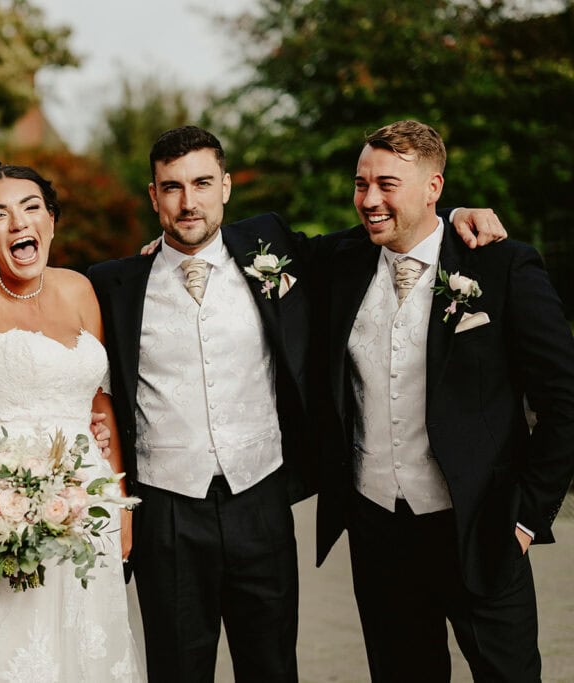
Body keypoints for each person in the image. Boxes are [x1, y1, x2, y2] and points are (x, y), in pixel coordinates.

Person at [88, 125, 505, 682]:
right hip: (166, 509)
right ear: (153, 195)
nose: (189, 202)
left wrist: (451, 213)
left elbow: (384, 231)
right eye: (172, 187)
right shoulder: (112, 285)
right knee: (176, 669)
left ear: (227, 187)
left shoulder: (274, 248)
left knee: (273, 666)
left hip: (260, 500)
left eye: (203, 183)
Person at [310, 119, 574, 681]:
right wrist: (165, 246)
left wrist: (527, 518)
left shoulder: (501, 266)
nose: (369, 200)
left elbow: (564, 398)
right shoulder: (340, 262)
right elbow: (258, 245)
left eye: (387, 184)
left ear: (434, 187)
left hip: (481, 527)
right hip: (379, 527)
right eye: (361, 184)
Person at [0, 162, 143, 681]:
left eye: (31, 208)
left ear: (50, 221)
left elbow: (100, 408)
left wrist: (120, 503)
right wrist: (6, 512)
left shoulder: (80, 290)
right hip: (0, 525)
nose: (18, 223)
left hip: (88, 516)